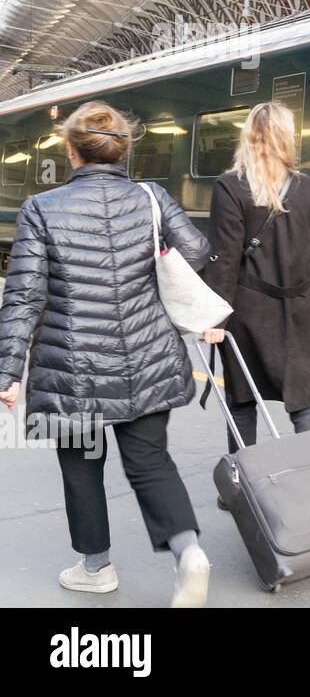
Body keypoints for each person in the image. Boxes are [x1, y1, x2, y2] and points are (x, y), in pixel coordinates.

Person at [0, 102, 212, 607]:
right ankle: (188, 553)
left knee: (81, 464)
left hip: (72, 368)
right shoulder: (151, 197)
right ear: (122, 150)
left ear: (71, 152)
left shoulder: (41, 208)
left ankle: (96, 568)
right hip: (146, 357)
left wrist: (8, 370)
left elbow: (25, 294)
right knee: (150, 461)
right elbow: (199, 252)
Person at [201, 100, 310, 460]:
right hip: (302, 309)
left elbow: (225, 261)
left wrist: (215, 320)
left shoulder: (230, 187)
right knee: (306, 401)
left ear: (248, 137)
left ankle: (244, 484)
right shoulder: (308, 187)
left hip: (250, 313)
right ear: (287, 138)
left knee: (242, 398)